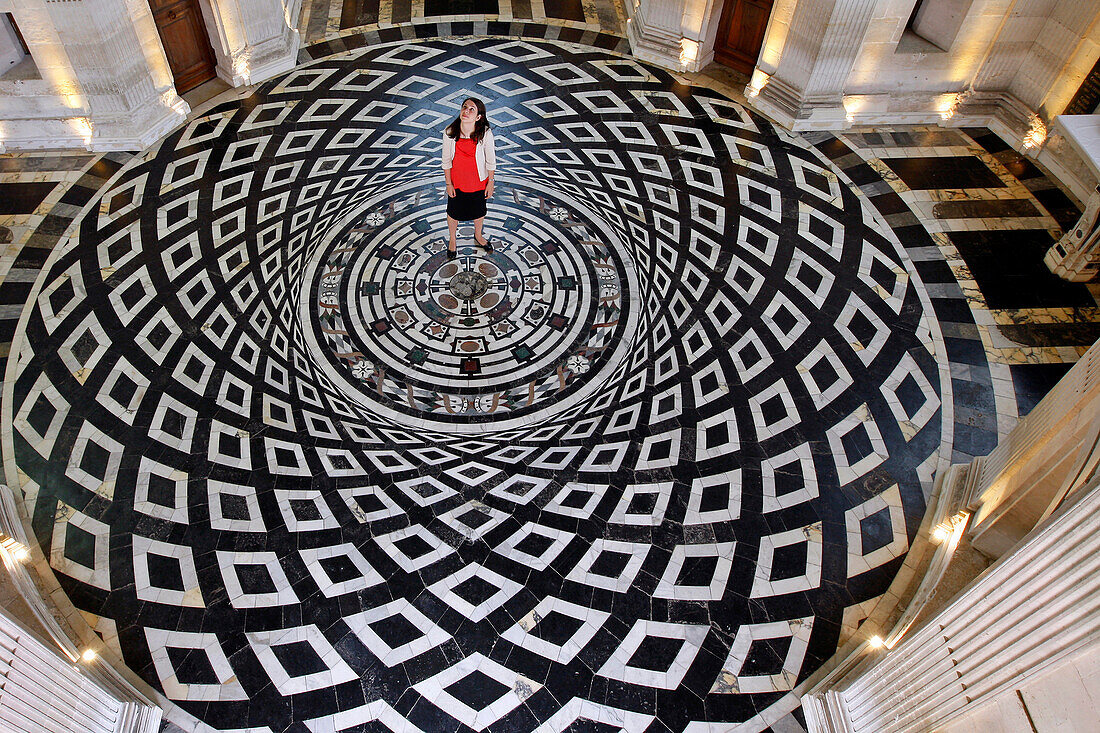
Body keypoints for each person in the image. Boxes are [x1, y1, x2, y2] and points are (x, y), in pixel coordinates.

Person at [441, 97, 496, 259]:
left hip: (479, 181)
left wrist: (490, 182)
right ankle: (452, 239)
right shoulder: (450, 132)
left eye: (472, 109)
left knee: (479, 211)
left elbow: (490, 160)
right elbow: (446, 161)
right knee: (453, 212)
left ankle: (478, 235)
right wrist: (448, 183)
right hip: (457, 182)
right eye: (464, 107)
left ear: (478, 117)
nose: (466, 111)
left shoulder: (485, 133)